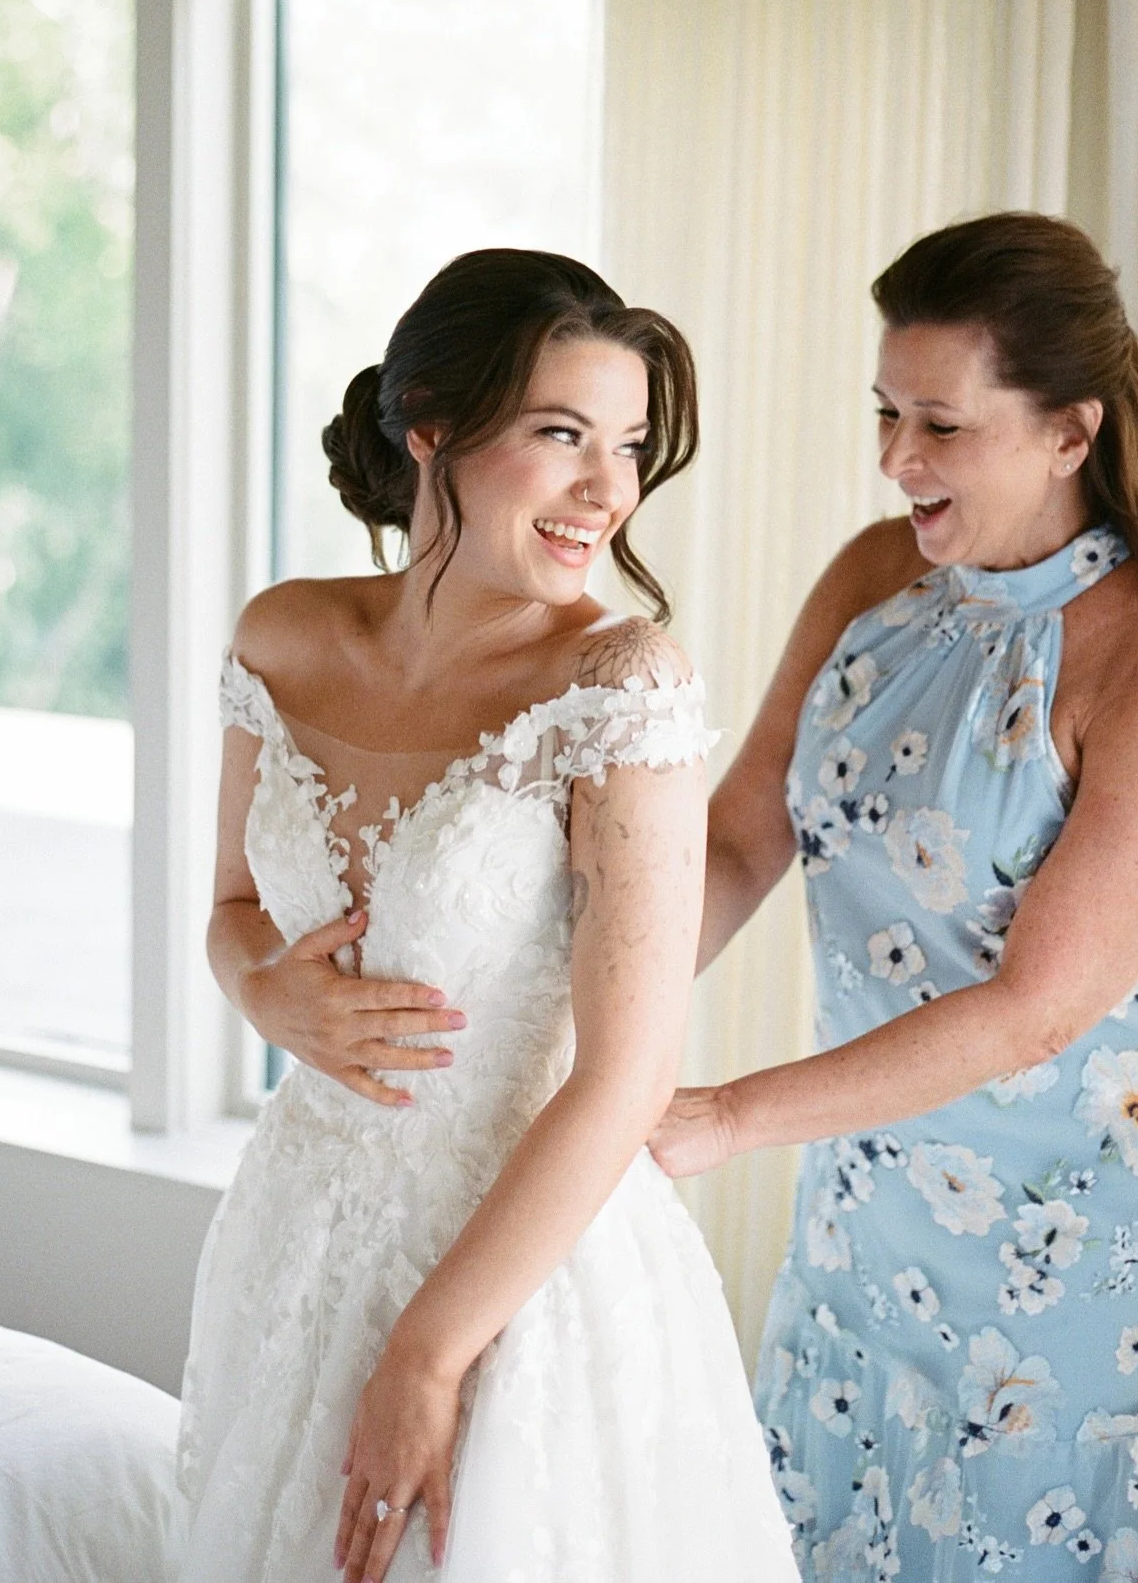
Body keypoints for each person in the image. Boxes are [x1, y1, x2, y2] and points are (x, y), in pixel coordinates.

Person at [172, 249, 797, 1583]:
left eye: (629, 447)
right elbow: (231, 906)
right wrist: (264, 992)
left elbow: (627, 1076)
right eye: (562, 435)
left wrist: (430, 1354)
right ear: (432, 426)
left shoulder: (618, 684)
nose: (608, 491)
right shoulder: (283, 636)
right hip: (298, 1235)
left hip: (524, 1278)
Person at [648, 212, 1138, 1577]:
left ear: (1070, 432)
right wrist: (587, 1008)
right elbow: (741, 835)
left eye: (940, 425)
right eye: (885, 412)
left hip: (1073, 1228)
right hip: (871, 1185)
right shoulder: (880, 576)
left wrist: (723, 1117)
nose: (895, 459)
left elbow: (1036, 1009)